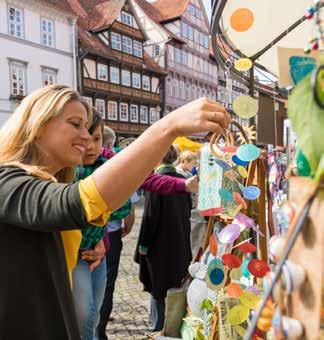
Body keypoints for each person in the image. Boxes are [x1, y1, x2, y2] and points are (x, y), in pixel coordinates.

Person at [0, 84, 230, 340]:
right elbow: (77, 202)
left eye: (87, 127)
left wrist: (95, 241)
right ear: (39, 124)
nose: (86, 137)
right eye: (75, 124)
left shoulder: (49, 184)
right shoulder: (5, 180)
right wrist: (168, 127)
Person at [135, 146, 193, 332]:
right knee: (176, 286)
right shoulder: (183, 181)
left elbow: (150, 217)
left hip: (158, 246)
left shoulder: (156, 182)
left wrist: (143, 246)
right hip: (180, 243)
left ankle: (158, 327)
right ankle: (175, 327)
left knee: (158, 288)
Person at [72, 110, 111, 340]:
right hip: (75, 254)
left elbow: (116, 208)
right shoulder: (69, 170)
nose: (90, 146)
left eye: (96, 138)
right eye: (86, 138)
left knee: (94, 313)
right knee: (84, 315)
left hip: (97, 253)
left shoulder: (104, 166)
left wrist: (102, 240)